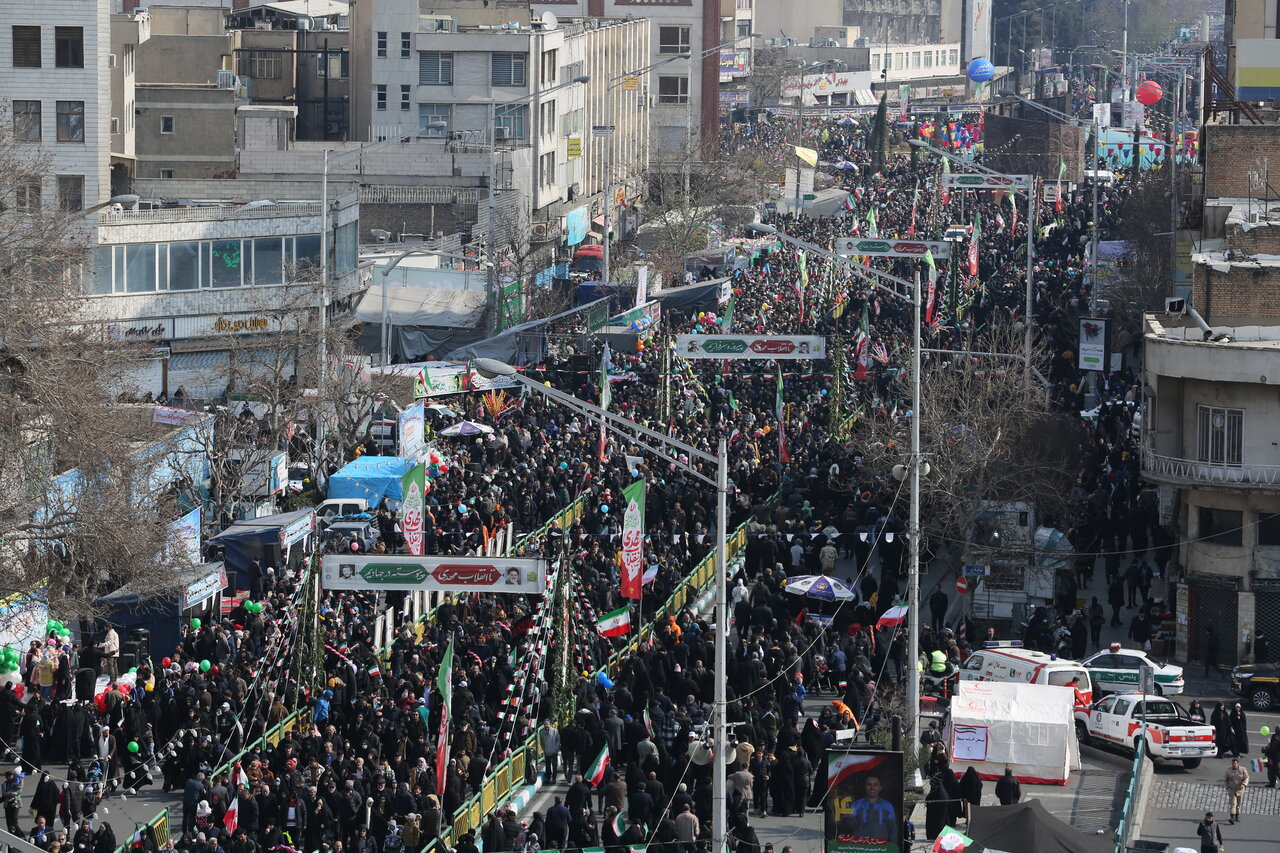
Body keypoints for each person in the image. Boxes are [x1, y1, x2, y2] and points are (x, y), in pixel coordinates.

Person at [835, 775, 898, 848]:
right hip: (860, 848)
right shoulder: (856, 805)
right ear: (865, 786)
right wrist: (846, 816)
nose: (872, 788)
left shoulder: (888, 806)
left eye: (875, 785)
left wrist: (892, 848)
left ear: (880, 787)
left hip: (881, 848)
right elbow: (848, 826)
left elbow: (893, 830)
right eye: (869, 784)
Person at [1224, 758, 1248, 824]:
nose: (1233, 764)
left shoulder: (1243, 769)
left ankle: (1237, 816)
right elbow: (1225, 780)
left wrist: (1244, 784)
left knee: (1239, 803)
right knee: (1233, 804)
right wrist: (1227, 787)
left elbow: (1246, 778)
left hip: (1240, 790)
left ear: (1237, 763)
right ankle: (1232, 817)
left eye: (1235, 763)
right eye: (1232, 763)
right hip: (1232, 789)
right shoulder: (1228, 771)